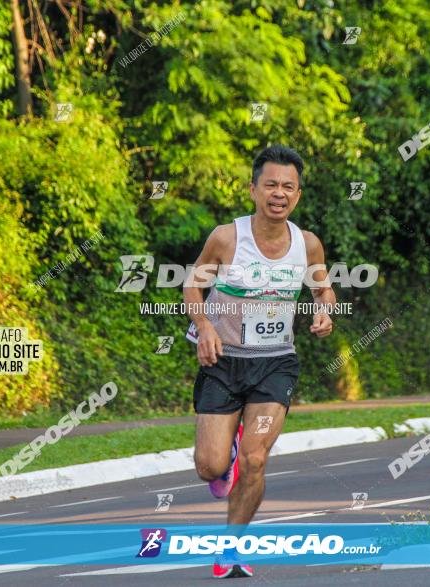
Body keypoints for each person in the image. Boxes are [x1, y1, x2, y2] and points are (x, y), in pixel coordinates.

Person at [184, 145, 336, 579]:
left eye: (288, 186)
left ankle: (231, 548)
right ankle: (224, 457)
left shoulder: (307, 245)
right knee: (209, 467)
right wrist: (206, 327)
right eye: (270, 184)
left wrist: (325, 309)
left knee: (255, 459)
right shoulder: (226, 237)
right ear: (253, 189)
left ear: (298, 195)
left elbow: (323, 290)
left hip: (275, 364)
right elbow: (192, 288)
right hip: (223, 361)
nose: (279, 193)